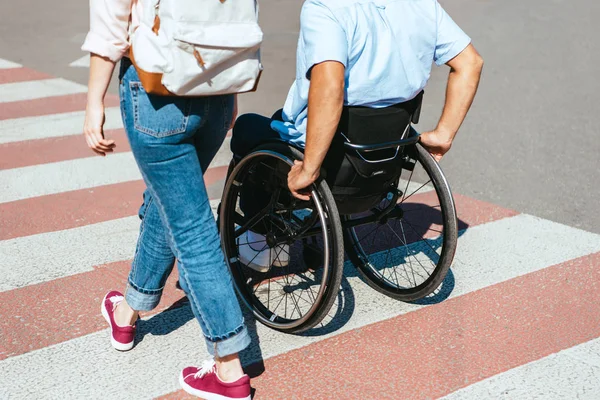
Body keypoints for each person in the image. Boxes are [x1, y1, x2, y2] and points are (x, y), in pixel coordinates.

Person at [82, 1, 252, 399]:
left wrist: (93, 104)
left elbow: (111, 22)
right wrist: (231, 91)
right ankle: (127, 312)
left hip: (157, 92)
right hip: (217, 86)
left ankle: (229, 370)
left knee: (193, 230)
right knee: (172, 203)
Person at [232, 0, 483, 270]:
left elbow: (330, 87)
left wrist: (310, 168)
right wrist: (444, 133)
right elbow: (470, 62)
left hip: (331, 152)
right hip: (384, 148)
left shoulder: (326, 7)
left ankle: (259, 237)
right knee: (278, 119)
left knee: (247, 128)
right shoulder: (422, 4)